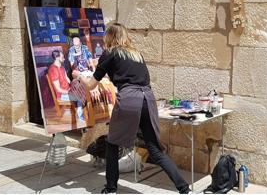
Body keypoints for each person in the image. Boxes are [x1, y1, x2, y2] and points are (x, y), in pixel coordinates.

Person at [78, 23, 191, 194]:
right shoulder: (136, 54)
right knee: (154, 148)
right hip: (148, 98)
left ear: (109, 37)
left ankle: (110, 189)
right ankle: (184, 189)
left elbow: (91, 85)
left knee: (112, 144)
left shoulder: (109, 53)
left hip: (130, 98)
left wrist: (79, 76)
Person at [47, 50, 85, 121]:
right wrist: (70, 92)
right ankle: (81, 117)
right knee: (81, 96)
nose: (64, 58)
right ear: (57, 57)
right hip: (62, 95)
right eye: (62, 57)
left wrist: (74, 85)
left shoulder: (62, 67)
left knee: (83, 90)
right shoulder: (53, 69)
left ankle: (82, 112)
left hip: (68, 91)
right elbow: (58, 89)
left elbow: (68, 80)